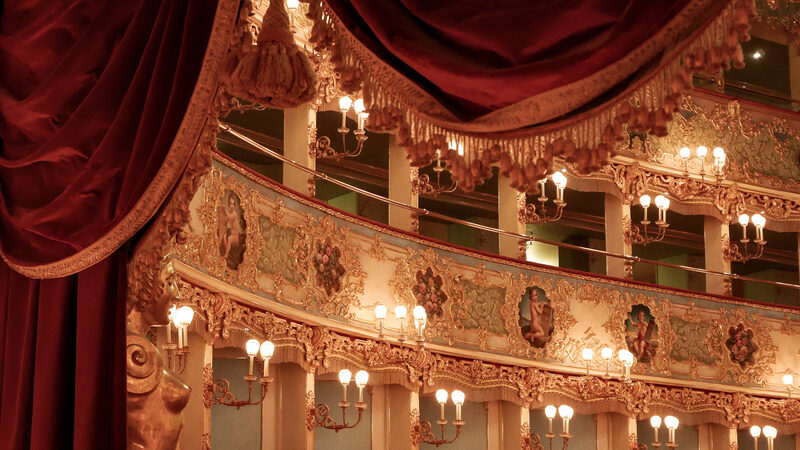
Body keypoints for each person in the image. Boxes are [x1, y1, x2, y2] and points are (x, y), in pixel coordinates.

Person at [219, 194, 243, 260]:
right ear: (229, 204)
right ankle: (225, 252)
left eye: (233, 204)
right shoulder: (229, 212)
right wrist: (222, 212)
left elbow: (229, 217)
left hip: (235, 237)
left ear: (234, 205)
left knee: (229, 238)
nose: (232, 206)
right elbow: (226, 219)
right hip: (231, 234)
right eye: (230, 204)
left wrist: (225, 210)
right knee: (224, 236)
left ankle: (227, 255)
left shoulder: (234, 214)